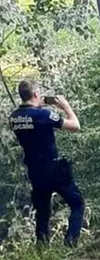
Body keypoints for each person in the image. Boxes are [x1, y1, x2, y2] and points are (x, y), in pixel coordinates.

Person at [9, 80, 84, 246]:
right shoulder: (43, 115)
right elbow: (75, 126)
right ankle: (70, 243)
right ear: (36, 94)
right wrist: (66, 107)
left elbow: (31, 121)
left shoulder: (14, 117)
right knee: (77, 203)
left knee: (42, 212)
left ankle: (42, 248)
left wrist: (39, 107)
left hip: (34, 171)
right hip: (53, 168)